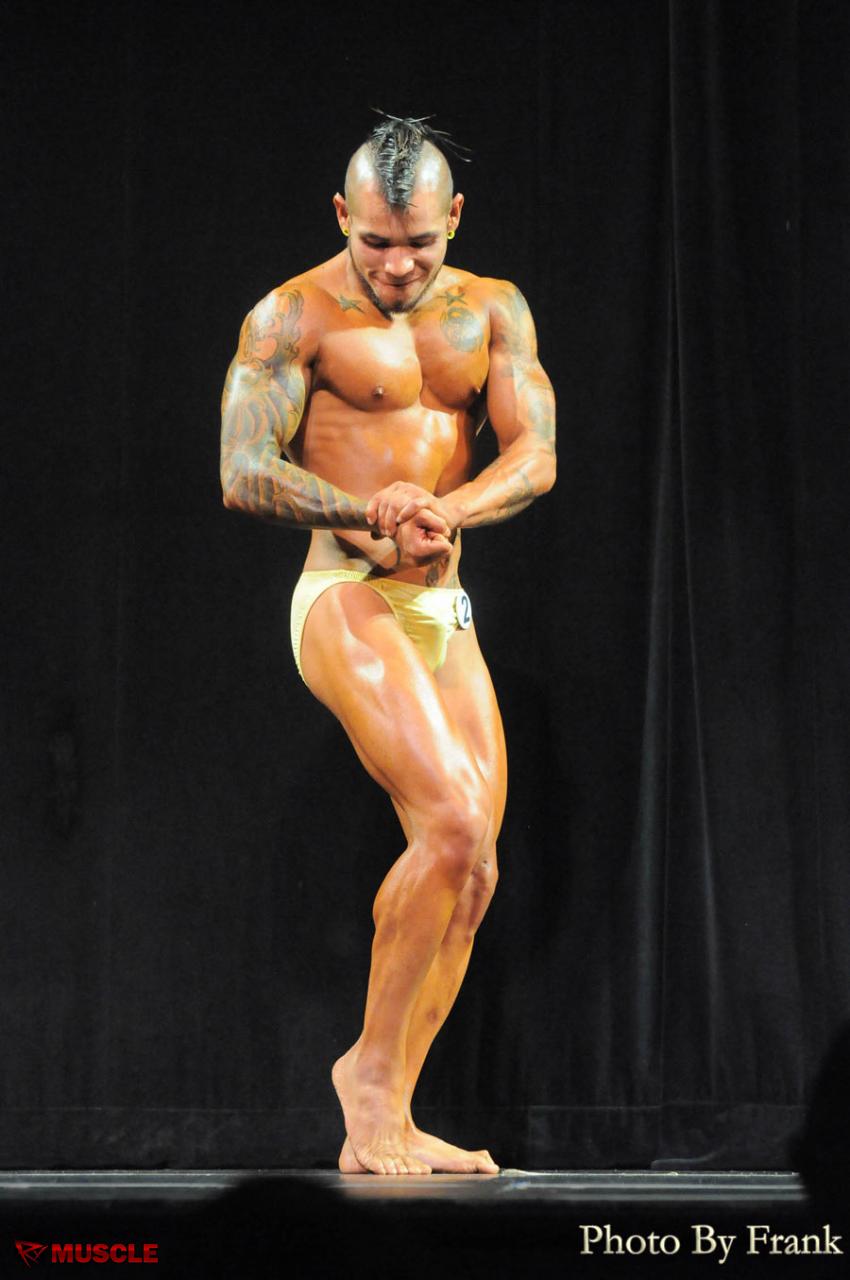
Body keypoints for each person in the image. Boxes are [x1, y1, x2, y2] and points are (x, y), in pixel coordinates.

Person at [220, 115, 556, 1175]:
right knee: (450, 819)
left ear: (454, 217)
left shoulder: (492, 310)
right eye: (375, 241)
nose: (397, 264)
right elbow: (242, 467)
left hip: (440, 605)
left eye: (417, 242)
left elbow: (536, 454)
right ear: (341, 216)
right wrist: (368, 513)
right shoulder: (293, 314)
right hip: (344, 592)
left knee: (472, 864)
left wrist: (449, 510)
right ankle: (366, 1078)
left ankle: (392, 1116)